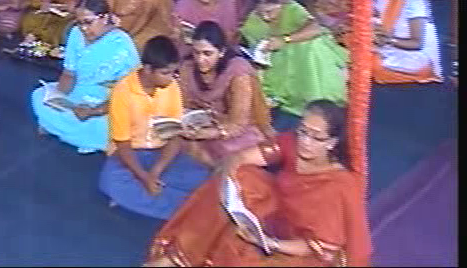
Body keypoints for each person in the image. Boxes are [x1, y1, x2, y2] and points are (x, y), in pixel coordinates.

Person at [144, 100, 372, 267]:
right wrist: (226, 188)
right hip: (276, 218)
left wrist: (270, 243)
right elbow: (239, 158)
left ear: (331, 143)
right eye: (302, 131)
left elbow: (320, 248)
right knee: (242, 176)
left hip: (301, 252)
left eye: (315, 137)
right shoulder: (292, 143)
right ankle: (178, 258)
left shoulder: (340, 185)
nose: (305, 141)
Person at [98, 35, 210, 220]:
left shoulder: (171, 87)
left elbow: (175, 135)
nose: (171, 78)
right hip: (131, 155)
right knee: (110, 181)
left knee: (203, 177)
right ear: (148, 69)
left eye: (174, 73)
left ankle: (149, 195)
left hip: (162, 153)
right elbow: (123, 144)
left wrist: (155, 172)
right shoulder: (122, 91)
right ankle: (188, 209)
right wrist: (144, 177)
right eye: (165, 73)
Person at [31, 0, 140, 154]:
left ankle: (61, 129)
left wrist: (95, 111)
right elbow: (69, 73)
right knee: (39, 96)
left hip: (107, 101)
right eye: (80, 23)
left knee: (111, 123)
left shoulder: (122, 43)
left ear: (104, 18)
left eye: (88, 22)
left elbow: (131, 90)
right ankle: (80, 135)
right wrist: (57, 97)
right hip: (78, 92)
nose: (83, 28)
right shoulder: (76, 33)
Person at [240, 0, 347, 116]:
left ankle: (318, 98)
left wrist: (285, 40)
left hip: (302, 55)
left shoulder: (291, 9)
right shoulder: (254, 19)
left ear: (280, 3)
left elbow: (315, 28)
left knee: (311, 46)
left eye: (269, 12)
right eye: (261, 13)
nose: (265, 17)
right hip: (275, 62)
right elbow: (249, 42)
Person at [179, 21, 273, 169]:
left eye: (207, 53)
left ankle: (222, 172)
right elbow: (184, 103)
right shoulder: (187, 67)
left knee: (233, 155)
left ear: (221, 52)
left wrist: (204, 133)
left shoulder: (238, 71)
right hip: (200, 125)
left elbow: (238, 124)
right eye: (196, 52)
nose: (200, 59)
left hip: (236, 132)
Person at [373, 0, 442, 84]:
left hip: (410, 55)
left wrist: (388, 40)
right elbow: (376, 17)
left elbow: (417, 43)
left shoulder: (415, 1)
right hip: (386, 45)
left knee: (369, 63)